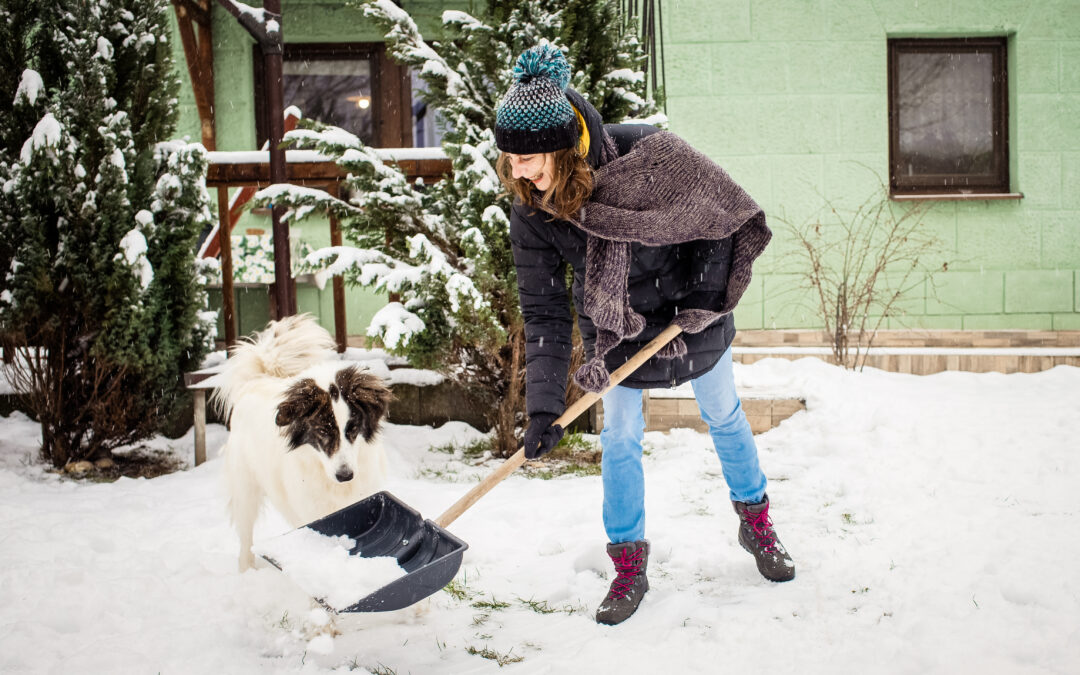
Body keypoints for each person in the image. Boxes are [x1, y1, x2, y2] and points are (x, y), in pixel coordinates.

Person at [493, 43, 795, 626]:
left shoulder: (644, 152)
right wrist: (543, 410)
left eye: (528, 160)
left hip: (691, 311)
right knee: (621, 438)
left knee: (725, 415)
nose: (518, 173)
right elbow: (546, 313)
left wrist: (706, 293)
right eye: (509, 159)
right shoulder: (531, 211)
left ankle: (756, 521)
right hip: (617, 328)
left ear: (561, 148)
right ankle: (628, 563)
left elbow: (719, 209)